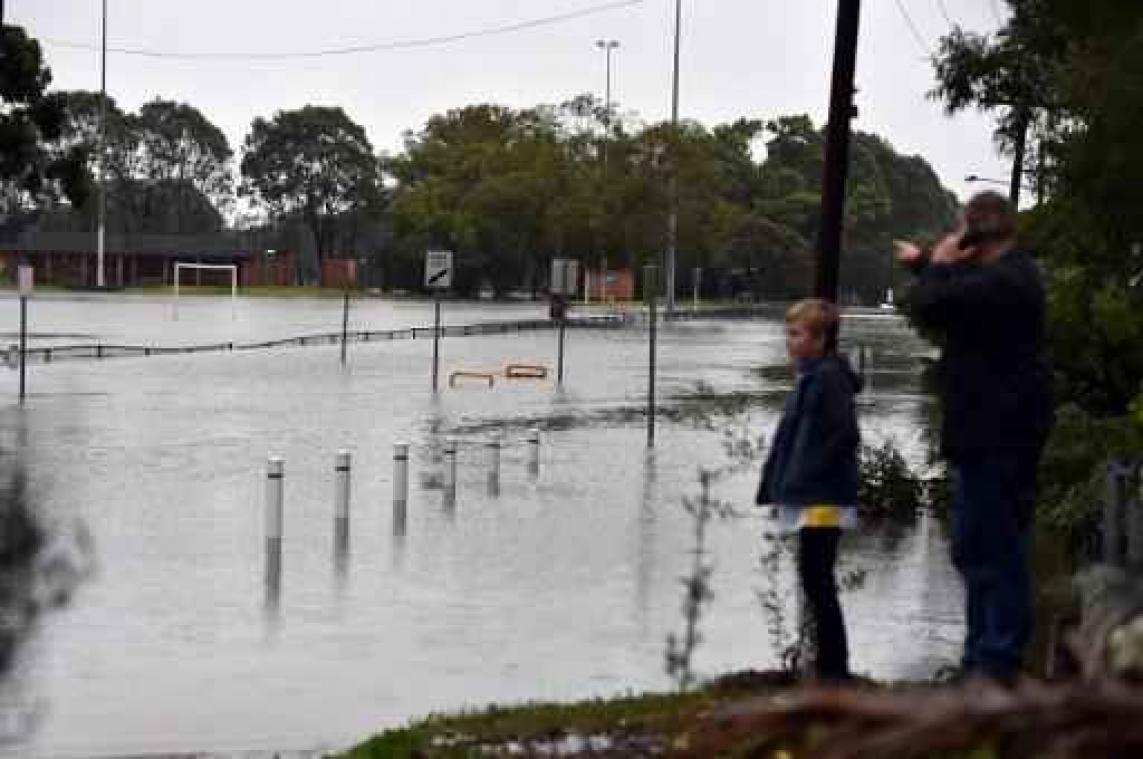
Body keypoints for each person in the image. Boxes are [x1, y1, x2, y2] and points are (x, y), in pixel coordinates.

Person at [895, 191, 1054, 684]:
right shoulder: (1006, 277)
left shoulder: (1009, 282)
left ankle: (996, 661)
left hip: (997, 435)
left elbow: (935, 308)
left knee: (994, 547)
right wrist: (927, 264)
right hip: (988, 431)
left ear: (973, 235)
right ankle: (981, 657)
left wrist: (938, 264)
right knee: (972, 544)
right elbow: (957, 297)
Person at [757, 298, 862, 683]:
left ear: (820, 340)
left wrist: (810, 475)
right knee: (813, 573)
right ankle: (828, 663)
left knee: (816, 573)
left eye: (796, 334)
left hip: (823, 496)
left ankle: (834, 666)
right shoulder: (810, 376)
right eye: (789, 332)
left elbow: (844, 434)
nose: (789, 341)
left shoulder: (828, 379)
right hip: (811, 492)